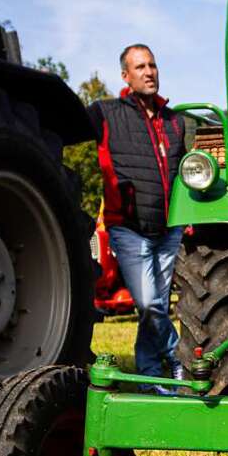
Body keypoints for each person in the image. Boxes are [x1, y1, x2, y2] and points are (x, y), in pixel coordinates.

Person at [88, 44, 186, 390]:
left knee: (154, 306)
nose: (149, 72)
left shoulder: (175, 121)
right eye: (140, 66)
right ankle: (178, 360)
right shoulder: (105, 113)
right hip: (128, 228)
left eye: (153, 65)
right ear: (125, 76)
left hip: (168, 229)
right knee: (148, 303)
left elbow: (183, 171)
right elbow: (67, 126)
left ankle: (147, 377)